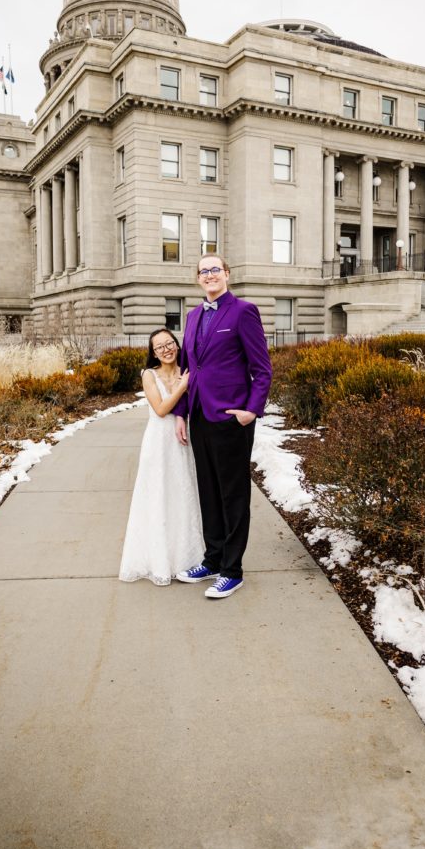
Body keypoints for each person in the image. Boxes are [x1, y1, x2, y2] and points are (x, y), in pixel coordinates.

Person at [174, 255, 272, 598]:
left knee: (233, 495)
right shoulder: (192, 315)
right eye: (204, 271)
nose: (210, 275)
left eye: (216, 269)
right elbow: (187, 372)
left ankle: (232, 570)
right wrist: (180, 413)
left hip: (232, 417)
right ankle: (213, 559)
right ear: (198, 279)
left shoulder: (243, 311)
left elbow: (262, 369)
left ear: (227, 274)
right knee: (209, 493)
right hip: (199, 416)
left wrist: (250, 411)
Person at [118, 329, 204, 585]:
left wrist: (183, 407)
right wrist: (183, 386)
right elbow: (160, 408)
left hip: (181, 441)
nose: (166, 349)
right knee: (157, 495)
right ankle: (159, 560)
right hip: (157, 443)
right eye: (159, 347)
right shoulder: (149, 375)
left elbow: (189, 405)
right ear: (153, 352)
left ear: (177, 345)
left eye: (169, 343)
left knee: (182, 493)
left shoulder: (187, 369)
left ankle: (185, 558)